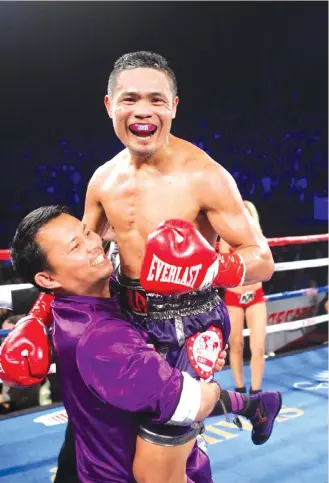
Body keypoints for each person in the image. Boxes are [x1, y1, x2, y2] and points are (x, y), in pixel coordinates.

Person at [0, 52, 279, 481]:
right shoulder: (103, 180)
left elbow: (262, 260)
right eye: (130, 99)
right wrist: (37, 319)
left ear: (173, 107)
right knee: (93, 435)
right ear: (110, 106)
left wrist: (206, 269)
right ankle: (254, 408)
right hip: (122, 318)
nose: (143, 110)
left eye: (156, 100)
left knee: (156, 470)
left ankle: (244, 410)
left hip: (189, 323)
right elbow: (71, 261)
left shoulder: (205, 176)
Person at [5, 206, 281, 483]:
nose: (93, 244)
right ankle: (253, 405)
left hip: (95, 454)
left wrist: (36, 317)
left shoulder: (96, 291)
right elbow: (189, 402)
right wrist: (201, 371)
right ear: (47, 278)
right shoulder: (100, 337)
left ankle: (256, 405)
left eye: (87, 232)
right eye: (76, 245)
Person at [220, 201, 267, 394]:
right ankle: (240, 389)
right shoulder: (226, 238)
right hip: (234, 296)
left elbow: (264, 267)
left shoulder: (259, 238)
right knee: (236, 344)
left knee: (259, 345)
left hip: (255, 295)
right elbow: (226, 268)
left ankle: (256, 392)